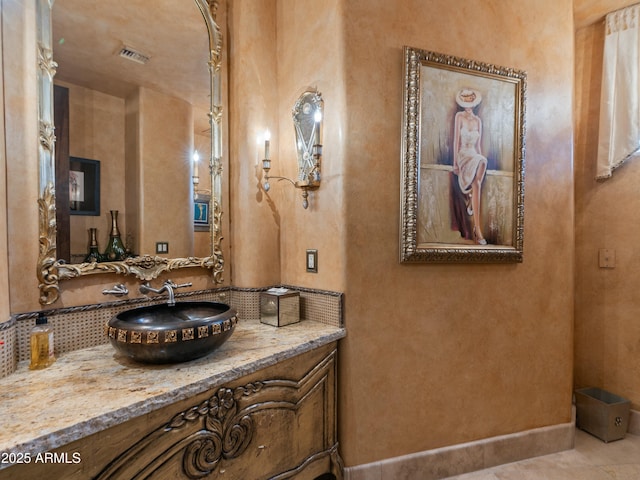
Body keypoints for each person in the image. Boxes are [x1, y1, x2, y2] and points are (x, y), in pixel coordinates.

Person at [452, 88, 488, 245]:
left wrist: (480, 157)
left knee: (482, 164)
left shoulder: (478, 121)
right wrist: (455, 163)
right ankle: (477, 229)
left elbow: (479, 146)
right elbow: (456, 141)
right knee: (477, 181)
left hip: (474, 153)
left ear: (474, 104)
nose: (467, 105)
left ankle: (477, 226)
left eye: (470, 102)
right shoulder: (459, 116)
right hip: (463, 155)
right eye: (465, 102)